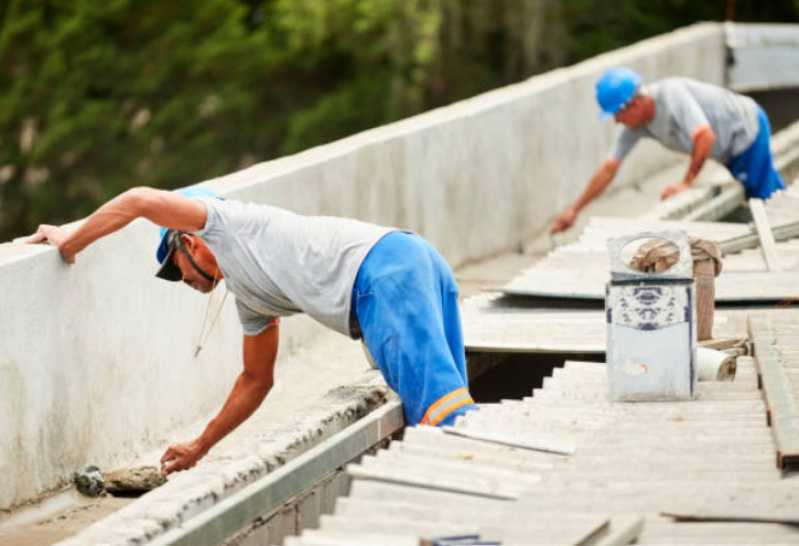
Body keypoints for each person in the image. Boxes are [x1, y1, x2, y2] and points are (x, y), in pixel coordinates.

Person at [25, 186, 476, 473]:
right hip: (411, 259)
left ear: (189, 239)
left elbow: (140, 201)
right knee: (451, 404)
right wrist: (201, 446)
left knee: (441, 419)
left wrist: (72, 237)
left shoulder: (225, 223)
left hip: (382, 276)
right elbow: (256, 381)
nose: (180, 280)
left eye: (174, 268)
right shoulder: (252, 297)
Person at [550, 67, 785, 234]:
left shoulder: (671, 94)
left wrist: (686, 183)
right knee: (772, 191)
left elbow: (704, 136)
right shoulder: (636, 126)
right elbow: (609, 169)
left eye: (617, 114)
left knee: (765, 199)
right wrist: (575, 210)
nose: (616, 122)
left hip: (746, 131)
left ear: (633, 103)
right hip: (729, 149)